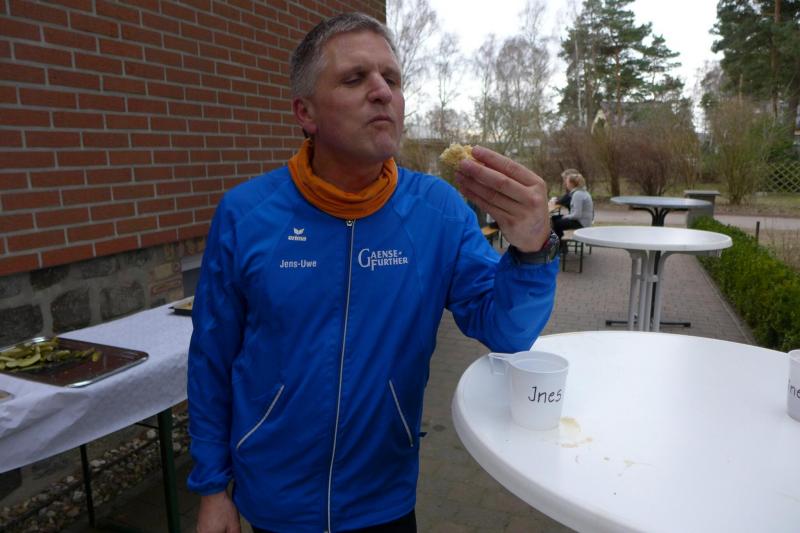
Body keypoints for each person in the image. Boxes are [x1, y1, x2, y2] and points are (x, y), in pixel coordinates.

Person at [187, 12, 559, 533]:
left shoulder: (438, 211)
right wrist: (211, 488)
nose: (383, 91)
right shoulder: (246, 214)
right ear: (305, 112)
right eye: (354, 78)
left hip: (384, 499)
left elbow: (508, 332)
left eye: (393, 78)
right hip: (273, 501)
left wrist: (533, 250)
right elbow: (211, 359)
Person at [550, 171, 594, 239]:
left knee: (556, 223)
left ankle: (559, 242)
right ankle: (560, 240)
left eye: (567, 182)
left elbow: (577, 215)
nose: (566, 184)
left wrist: (566, 216)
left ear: (571, 184)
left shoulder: (577, 194)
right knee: (554, 218)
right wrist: (565, 216)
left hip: (581, 223)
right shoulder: (582, 192)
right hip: (582, 221)